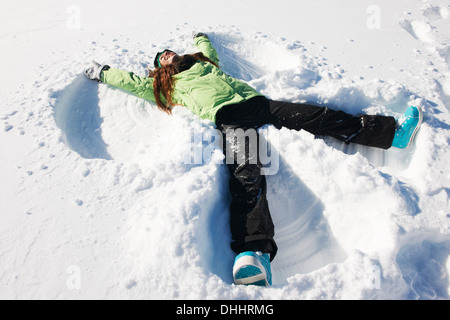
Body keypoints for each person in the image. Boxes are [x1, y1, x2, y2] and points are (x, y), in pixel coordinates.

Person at [85, 32, 422, 287]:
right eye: (163, 58)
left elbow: (208, 49)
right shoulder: (166, 85)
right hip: (227, 117)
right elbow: (130, 82)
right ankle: (254, 254)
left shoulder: (203, 63)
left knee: (320, 116)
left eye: (170, 51)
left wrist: (199, 35)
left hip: (259, 103)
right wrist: (103, 72)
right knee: (246, 173)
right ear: (160, 68)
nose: (168, 55)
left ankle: (391, 134)